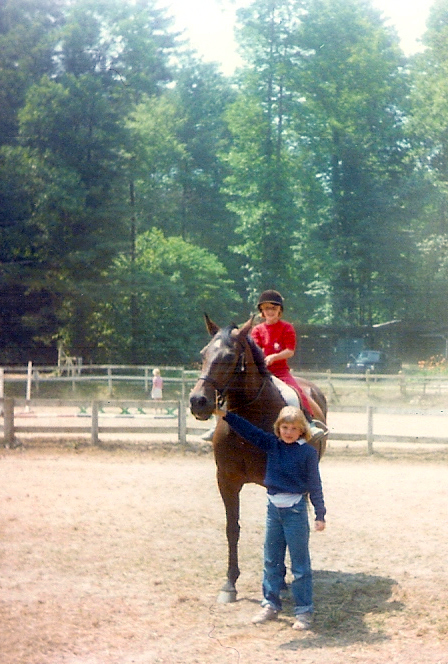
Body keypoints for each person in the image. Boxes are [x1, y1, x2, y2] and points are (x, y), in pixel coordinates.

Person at [214, 404, 326, 630]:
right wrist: (227, 415)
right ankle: (270, 604)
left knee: (300, 564)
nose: (288, 432)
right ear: (278, 428)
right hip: (273, 511)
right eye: (284, 427)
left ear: (302, 430)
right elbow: (249, 430)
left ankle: (304, 611)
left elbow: (315, 485)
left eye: (293, 428)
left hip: (295, 511)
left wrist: (320, 513)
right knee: (271, 560)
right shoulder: (272, 445)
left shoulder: (307, 453)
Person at [251, 290, 315, 421]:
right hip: (261, 372)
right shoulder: (257, 329)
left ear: (280, 309)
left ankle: (309, 421)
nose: (270, 311)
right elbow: (255, 350)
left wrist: (273, 357)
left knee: (295, 394)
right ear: (262, 310)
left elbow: (290, 351)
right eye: (267, 308)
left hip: (280, 372)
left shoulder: (287, 328)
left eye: (274, 308)